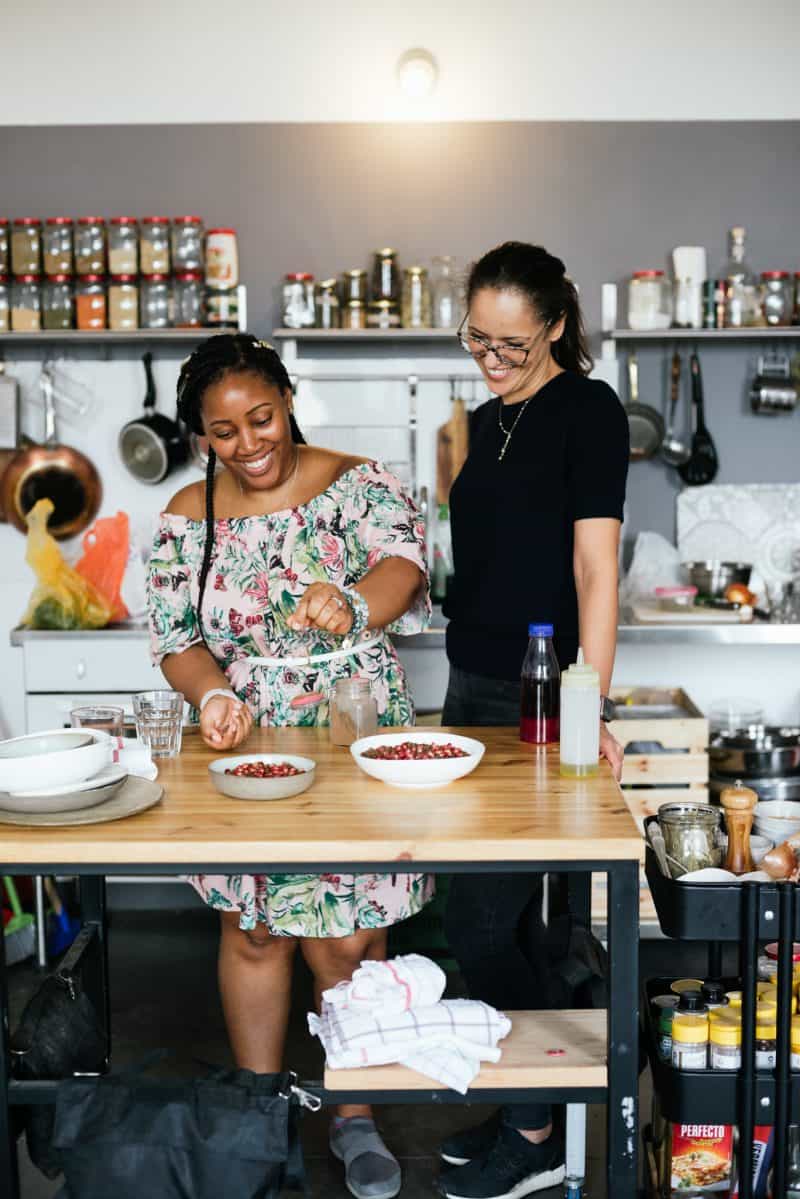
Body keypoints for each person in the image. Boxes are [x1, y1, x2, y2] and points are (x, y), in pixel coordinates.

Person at [147, 333, 432, 1199]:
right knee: (256, 925)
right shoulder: (181, 519)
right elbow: (179, 640)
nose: (248, 444)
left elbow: (404, 571)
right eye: (222, 432)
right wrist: (210, 699)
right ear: (201, 435)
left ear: (287, 398)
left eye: (260, 418)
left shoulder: (361, 481)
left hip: (349, 736)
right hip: (249, 749)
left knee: (345, 935)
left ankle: (355, 1112)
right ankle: (260, 1116)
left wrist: (348, 603)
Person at [436, 243, 629, 1199]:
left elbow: (597, 569)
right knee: (473, 910)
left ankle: (542, 1121)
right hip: (468, 684)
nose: (492, 355)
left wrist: (589, 696)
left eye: (512, 340)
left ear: (555, 324)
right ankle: (525, 1093)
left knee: (483, 915)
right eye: (478, 336)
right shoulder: (479, 418)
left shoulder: (589, 413)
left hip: (540, 695)